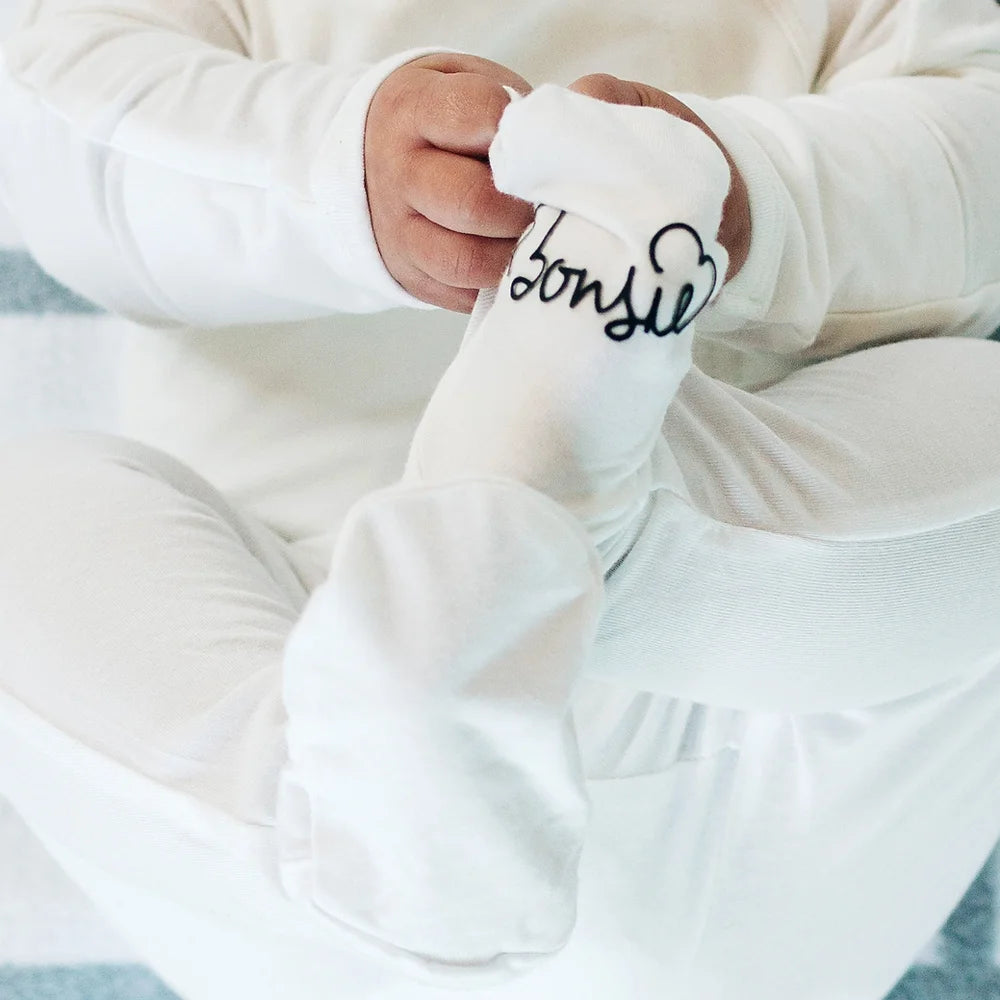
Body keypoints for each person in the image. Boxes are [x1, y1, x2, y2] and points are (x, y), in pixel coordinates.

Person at [0, 0, 999, 998]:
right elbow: (66, 143)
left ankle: (561, 537)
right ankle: (585, 522)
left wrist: (756, 189)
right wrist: (339, 164)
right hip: (737, 794)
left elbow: (974, 150)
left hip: (345, 771)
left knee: (32, 527)